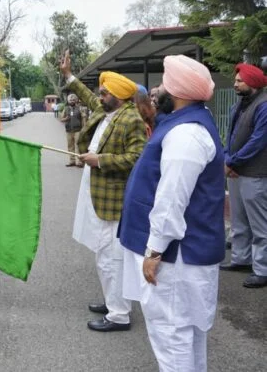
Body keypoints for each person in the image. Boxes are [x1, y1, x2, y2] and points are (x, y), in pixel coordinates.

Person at [120, 54, 224, 371]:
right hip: (182, 255)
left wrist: (154, 251)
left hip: (176, 258)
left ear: (177, 91)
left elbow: (172, 198)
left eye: (164, 84)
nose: (158, 90)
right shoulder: (185, 124)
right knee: (185, 335)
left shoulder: (186, 134)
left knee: (172, 336)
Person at [60, 50, 147, 332]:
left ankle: (119, 314)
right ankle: (114, 302)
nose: (99, 96)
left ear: (118, 96)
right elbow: (85, 95)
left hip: (113, 200)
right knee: (103, 254)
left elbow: (137, 158)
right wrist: (68, 76)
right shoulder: (108, 110)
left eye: (104, 93)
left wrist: (100, 161)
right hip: (96, 194)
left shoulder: (130, 118)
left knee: (112, 257)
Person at [220, 62, 267, 288]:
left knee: (259, 225)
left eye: (240, 81)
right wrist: (228, 157)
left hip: (255, 173)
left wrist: (232, 160)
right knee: (239, 220)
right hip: (236, 171)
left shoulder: (264, 105)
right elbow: (231, 135)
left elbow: (258, 141)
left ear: (254, 83)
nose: (235, 84)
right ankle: (241, 259)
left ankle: (262, 269)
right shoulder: (240, 104)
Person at [60, 93, 85, 167]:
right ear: (68, 101)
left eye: (73, 99)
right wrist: (66, 119)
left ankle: (79, 162)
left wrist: (84, 128)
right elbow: (61, 119)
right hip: (69, 130)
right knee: (70, 146)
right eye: (70, 100)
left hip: (78, 130)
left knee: (78, 146)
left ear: (76, 100)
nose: (72, 101)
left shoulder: (80, 108)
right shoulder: (66, 108)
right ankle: (72, 161)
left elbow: (83, 118)